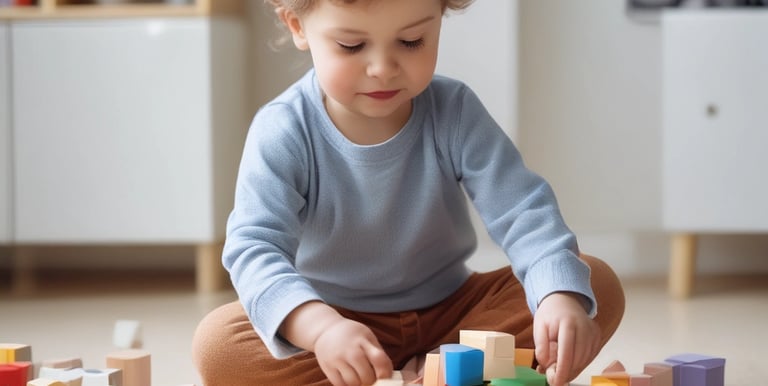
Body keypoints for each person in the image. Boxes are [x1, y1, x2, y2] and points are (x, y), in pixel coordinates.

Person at [192, 0, 625, 385]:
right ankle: (408, 374)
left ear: (439, 18)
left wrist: (558, 297)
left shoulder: (454, 110)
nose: (383, 67)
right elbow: (254, 248)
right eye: (351, 46)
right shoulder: (283, 129)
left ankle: (440, 368)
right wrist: (320, 328)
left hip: (454, 312)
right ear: (297, 27)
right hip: (334, 318)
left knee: (591, 283)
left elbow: (522, 209)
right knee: (219, 345)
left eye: (412, 41)